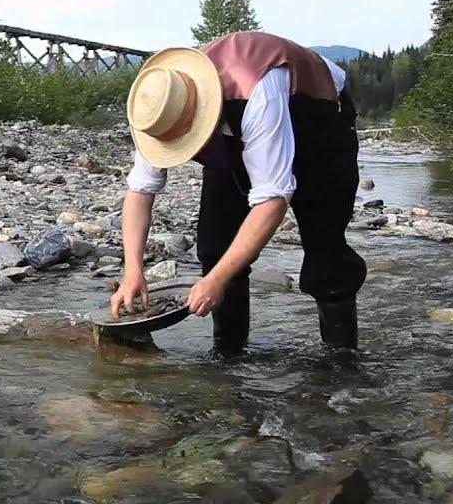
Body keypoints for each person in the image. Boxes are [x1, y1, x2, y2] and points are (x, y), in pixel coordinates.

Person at [109, 30, 365, 355]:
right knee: (216, 248)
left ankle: (341, 360)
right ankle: (228, 357)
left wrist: (215, 281)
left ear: (202, 119)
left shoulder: (258, 89)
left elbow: (272, 200)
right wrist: (133, 271)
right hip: (232, 124)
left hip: (319, 120)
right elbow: (139, 191)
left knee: (325, 253)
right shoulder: (159, 106)